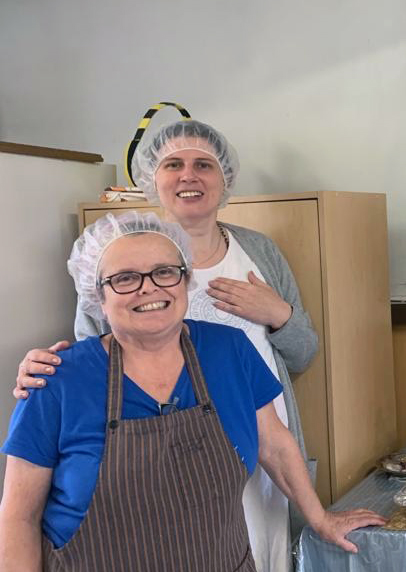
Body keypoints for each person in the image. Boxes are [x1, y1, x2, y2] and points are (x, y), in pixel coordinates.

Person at [0, 212, 385, 572]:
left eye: (164, 272)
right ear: (98, 296)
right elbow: (19, 517)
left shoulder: (228, 349)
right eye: (124, 278)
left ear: (185, 280)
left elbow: (275, 445)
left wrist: (319, 518)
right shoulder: (57, 379)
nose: (147, 288)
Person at [12, 120, 317, 572]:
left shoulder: (258, 256)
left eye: (203, 164)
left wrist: (278, 314)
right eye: (173, 164)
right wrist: (43, 372)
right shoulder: (108, 255)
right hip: (136, 487)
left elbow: (303, 355)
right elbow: (92, 360)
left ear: (225, 178)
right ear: (152, 178)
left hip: (253, 450)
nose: (188, 176)